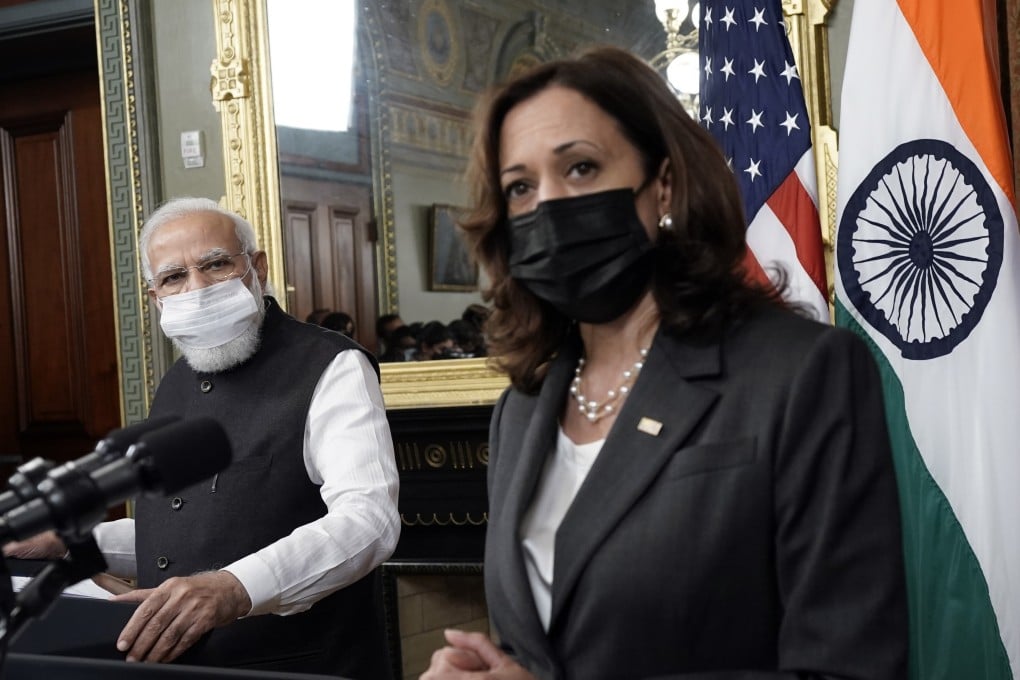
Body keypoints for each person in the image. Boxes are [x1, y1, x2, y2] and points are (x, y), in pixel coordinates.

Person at [421, 47, 907, 679]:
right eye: (520, 187)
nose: (548, 206)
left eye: (581, 168)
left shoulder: (802, 372)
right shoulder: (524, 408)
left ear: (664, 186)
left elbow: (850, 668)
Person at [7, 197, 400, 678]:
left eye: (215, 264)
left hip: (298, 665)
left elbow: (369, 521)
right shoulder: (174, 383)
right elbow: (196, 529)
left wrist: (233, 588)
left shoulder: (331, 365)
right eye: (174, 277)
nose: (196, 288)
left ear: (256, 267)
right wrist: (72, 542)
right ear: (155, 297)